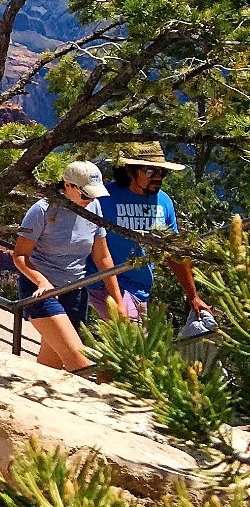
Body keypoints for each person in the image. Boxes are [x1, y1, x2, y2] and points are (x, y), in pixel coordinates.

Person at [15, 160, 123, 372]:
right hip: (42, 292)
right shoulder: (42, 211)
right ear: (68, 185)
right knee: (80, 361)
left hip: (74, 291)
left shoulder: (94, 207)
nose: (90, 199)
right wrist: (41, 281)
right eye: (85, 194)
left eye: (94, 194)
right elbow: (20, 255)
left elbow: (102, 256)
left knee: (52, 365)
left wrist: (117, 301)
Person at [93, 142, 207, 322]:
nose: (157, 177)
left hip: (140, 290)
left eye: (162, 172)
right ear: (130, 171)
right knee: (138, 345)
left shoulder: (163, 202)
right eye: (150, 172)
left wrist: (193, 296)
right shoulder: (103, 199)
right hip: (104, 285)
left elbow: (173, 251)